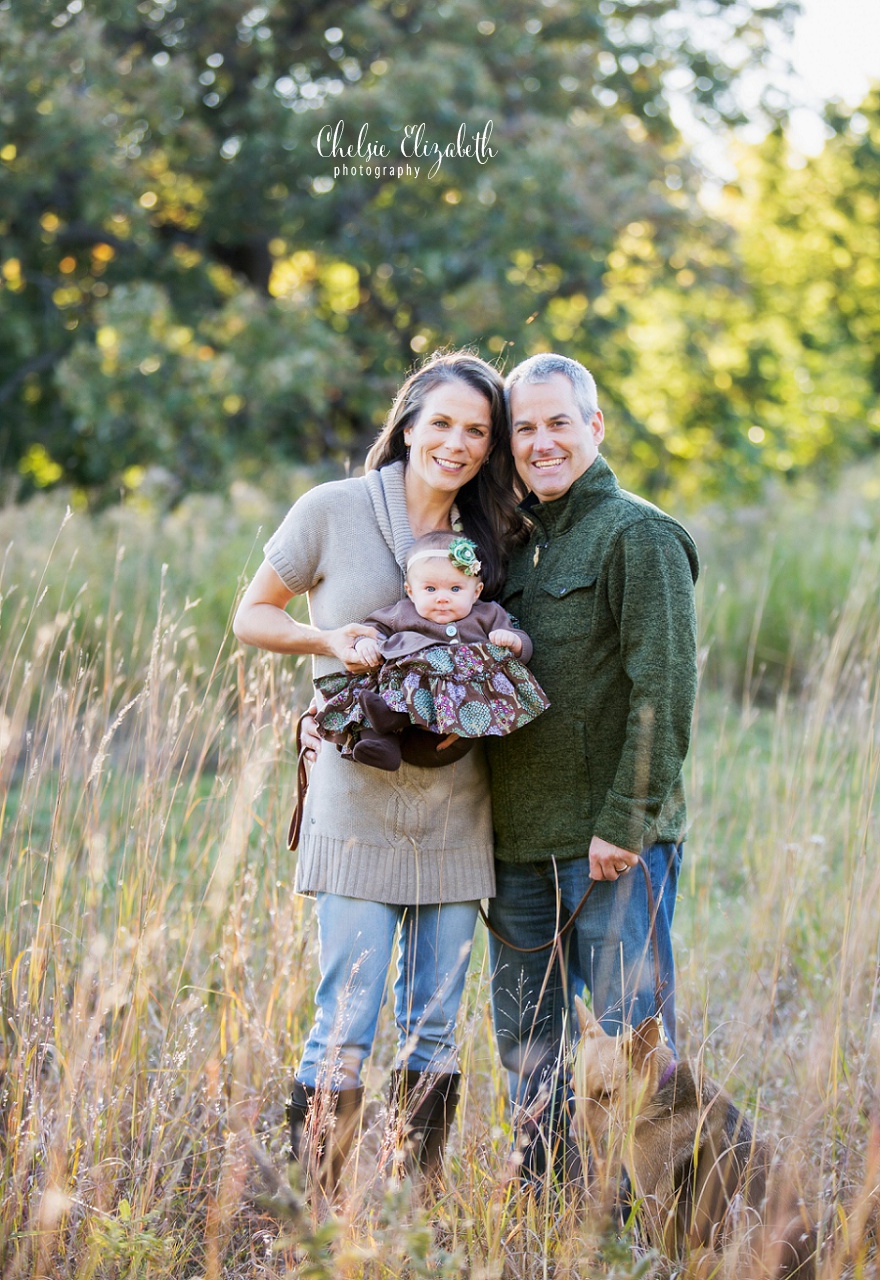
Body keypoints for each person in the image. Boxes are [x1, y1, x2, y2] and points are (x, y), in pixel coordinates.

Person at [232, 350, 522, 1199]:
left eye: (478, 431)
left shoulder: (494, 536)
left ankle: (409, 1207)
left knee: (435, 1027)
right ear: (407, 425)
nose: (459, 443)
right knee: (345, 1022)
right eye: (443, 424)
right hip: (356, 793)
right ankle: (313, 1217)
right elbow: (250, 615)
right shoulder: (332, 510)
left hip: (458, 801)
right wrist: (330, 642)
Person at [484, 352, 699, 1182]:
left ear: (595, 426)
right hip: (517, 850)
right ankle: (546, 1214)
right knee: (527, 1045)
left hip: (609, 847)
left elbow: (665, 687)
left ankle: (669, 1218)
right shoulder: (511, 547)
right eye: (524, 428)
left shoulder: (637, 533)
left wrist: (625, 820)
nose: (541, 442)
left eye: (558, 423)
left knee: (632, 1039)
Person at [314, 530, 549, 771]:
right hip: (399, 704)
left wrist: (513, 642)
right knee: (372, 699)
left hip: (458, 719)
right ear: (411, 591)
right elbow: (372, 628)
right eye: (430, 589)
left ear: (476, 592)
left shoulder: (489, 614)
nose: (442, 598)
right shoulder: (402, 613)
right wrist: (365, 643)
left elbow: (522, 647)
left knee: (451, 711)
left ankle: (393, 721)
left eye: (455, 589)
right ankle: (381, 745)